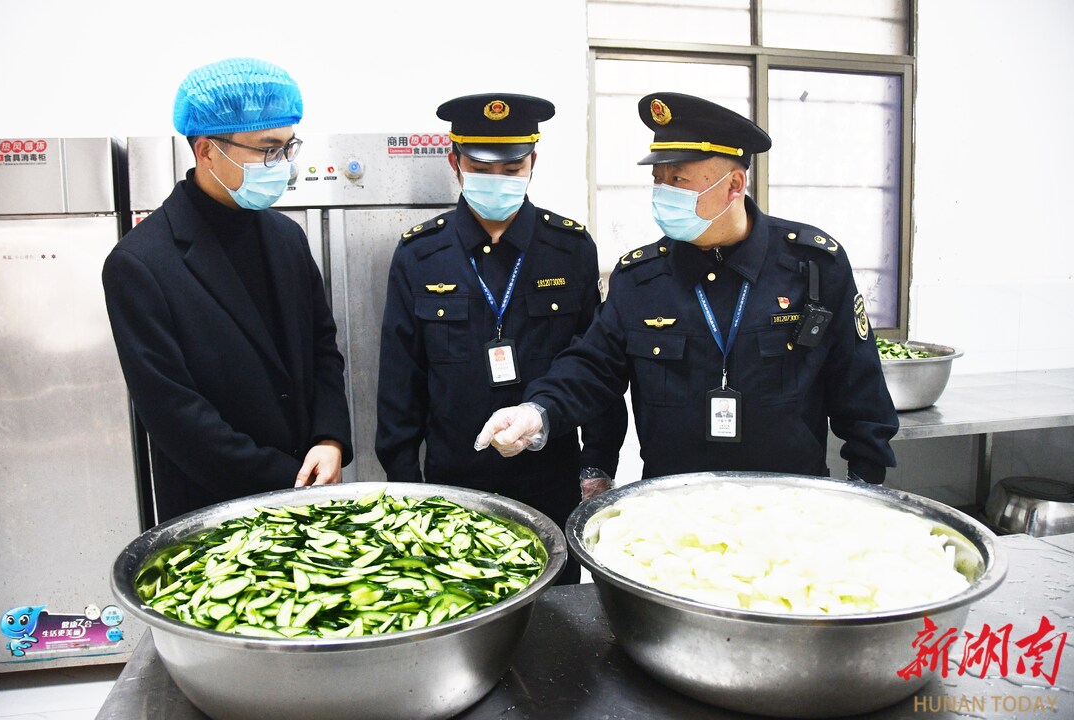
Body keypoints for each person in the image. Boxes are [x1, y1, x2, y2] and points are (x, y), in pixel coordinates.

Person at [475, 91, 898, 484]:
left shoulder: (812, 265)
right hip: (671, 506)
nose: (663, 193)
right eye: (657, 179)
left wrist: (867, 482)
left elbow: (858, 384)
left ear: (734, 186)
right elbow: (591, 367)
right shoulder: (641, 278)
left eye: (678, 180)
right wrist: (537, 411)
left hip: (789, 501)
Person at [375, 93, 628, 582]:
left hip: (550, 480)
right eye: (481, 168)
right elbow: (400, 380)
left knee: (555, 611)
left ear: (533, 162)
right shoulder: (421, 254)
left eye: (512, 169)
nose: (498, 180)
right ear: (455, 163)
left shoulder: (569, 248)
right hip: (453, 487)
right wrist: (405, 484)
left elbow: (597, 365)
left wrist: (597, 462)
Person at [103, 57, 352, 523]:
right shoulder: (140, 264)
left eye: (288, 147)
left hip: (310, 491)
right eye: (268, 149)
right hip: (212, 511)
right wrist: (288, 482)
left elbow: (323, 349)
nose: (285, 165)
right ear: (207, 151)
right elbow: (175, 415)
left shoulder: (286, 237)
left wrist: (330, 438)